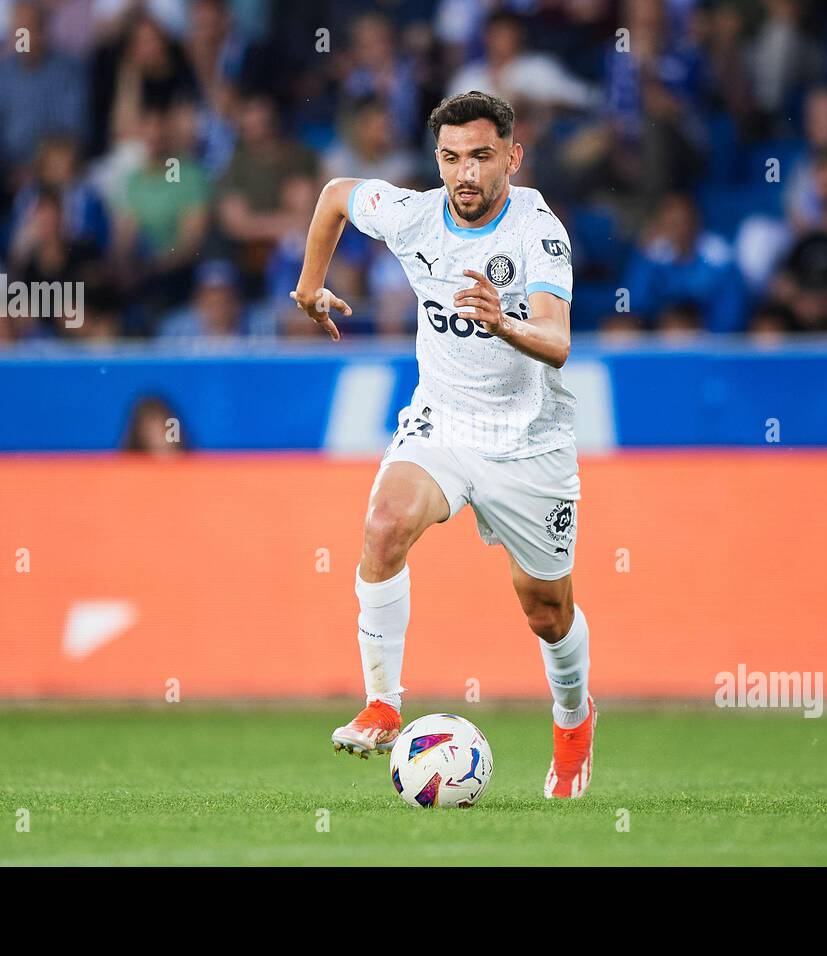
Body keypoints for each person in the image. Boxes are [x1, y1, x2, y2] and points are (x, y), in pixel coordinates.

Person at [288, 91, 596, 800]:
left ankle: (574, 723)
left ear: (511, 158)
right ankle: (383, 703)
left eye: (482, 157)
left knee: (546, 610)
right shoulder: (415, 214)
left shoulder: (538, 232)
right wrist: (310, 288)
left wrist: (503, 322)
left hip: (528, 442)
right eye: (452, 158)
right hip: (445, 423)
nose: (466, 173)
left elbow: (558, 341)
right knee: (383, 524)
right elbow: (335, 195)